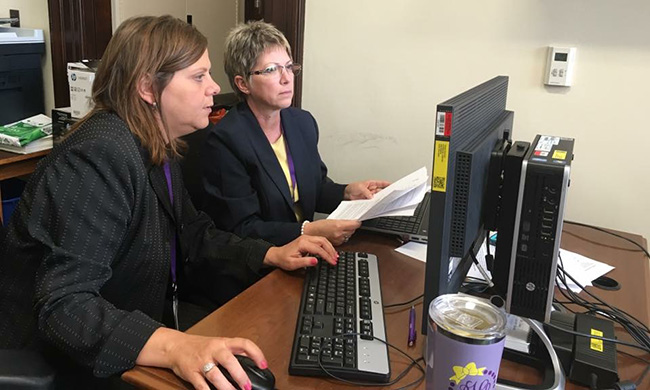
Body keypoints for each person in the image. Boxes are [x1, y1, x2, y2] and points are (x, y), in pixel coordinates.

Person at [0, 15, 338, 390]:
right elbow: (65, 307)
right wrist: (175, 346)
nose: (214, 88)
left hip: (140, 318)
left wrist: (270, 253)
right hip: (71, 359)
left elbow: (194, 233)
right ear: (148, 86)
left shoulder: (156, 146)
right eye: (198, 76)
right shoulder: (97, 158)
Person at [199, 21, 390, 247]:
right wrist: (306, 230)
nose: (287, 78)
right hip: (261, 266)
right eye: (271, 69)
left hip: (305, 252)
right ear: (243, 84)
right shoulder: (226, 141)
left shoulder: (302, 123)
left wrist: (348, 192)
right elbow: (242, 228)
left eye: (289, 67)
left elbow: (315, 188)